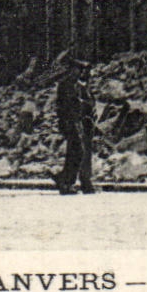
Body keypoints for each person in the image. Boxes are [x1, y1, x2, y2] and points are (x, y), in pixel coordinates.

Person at [54, 50, 96, 195]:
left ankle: (65, 180)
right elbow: (67, 105)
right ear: (71, 70)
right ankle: (66, 181)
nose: (79, 73)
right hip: (70, 121)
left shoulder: (76, 85)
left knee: (76, 151)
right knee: (77, 151)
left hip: (76, 122)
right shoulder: (66, 85)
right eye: (78, 70)